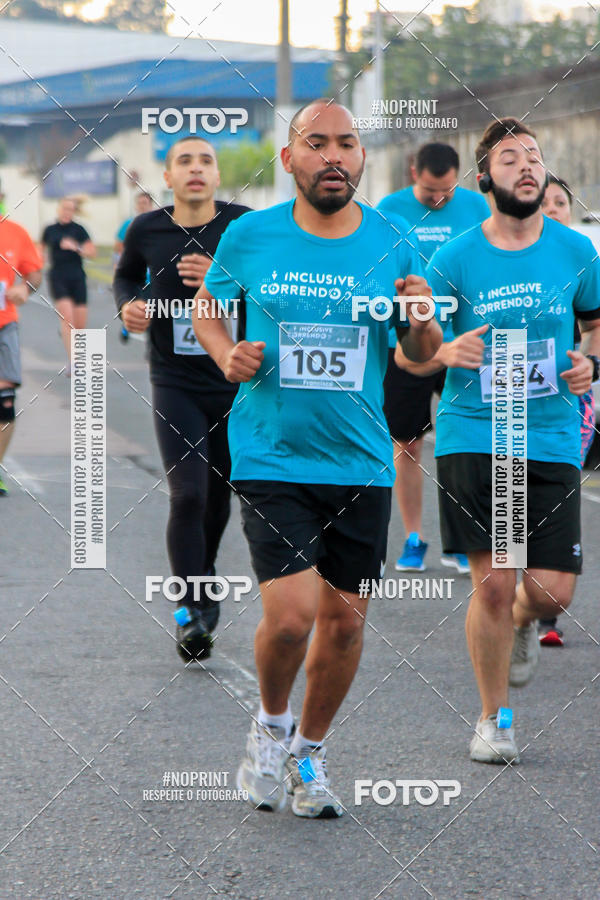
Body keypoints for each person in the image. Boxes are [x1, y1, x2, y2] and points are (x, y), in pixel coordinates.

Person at [194, 99, 442, 817]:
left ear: (361, 158)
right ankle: (271, 725)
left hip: (360, 460)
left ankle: (309, 753)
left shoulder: (394, 241)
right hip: (271, 453)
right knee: (293, 617)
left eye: (347, 143)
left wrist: (422, 320)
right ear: (289, 159)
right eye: (317, 142)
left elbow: (418, 356)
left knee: (344, 623)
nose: (334, 155)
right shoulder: (251, 235)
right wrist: (226, 354)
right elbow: (208, 308)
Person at [424, 118, 600, 763]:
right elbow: (416, 344)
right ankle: (493, 720)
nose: (526, 166)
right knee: (495, 583)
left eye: (533, 156)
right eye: (509, 158)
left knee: (551, 591)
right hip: (477, 430)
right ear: (484, 179)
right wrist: (446, 349)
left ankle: (526, 621)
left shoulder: (576, 250)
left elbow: (595, 323)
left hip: (549, 431)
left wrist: (590, 362)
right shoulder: (455, 258)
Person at [114, 136, 251, 662]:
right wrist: (129, 305)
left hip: (234, 380)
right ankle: (190, 609)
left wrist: (221, 276)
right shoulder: (146, 229)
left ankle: (203, 575)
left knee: (218, 495)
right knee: (188, 494)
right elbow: (126, 275)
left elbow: (270, 287)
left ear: (217, 176)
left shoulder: (243, 227)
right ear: (168, 178)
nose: (196, 169)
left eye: (206, 161)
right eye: (184, 161)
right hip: (175, 382)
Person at [378, 143, 489, 574]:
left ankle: (461, 540)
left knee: (460, 438)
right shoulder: (390, 211)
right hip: (406, 342)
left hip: (464, 341)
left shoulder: (477, 207)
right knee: (406, 443)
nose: (440, 199)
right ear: (413, 173)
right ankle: (413, 538)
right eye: (430, 192)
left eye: (447, 191)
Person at [537, 175, 595, 647]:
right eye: (546, 202)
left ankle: (545, 614)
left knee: (560, 484)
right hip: (513, 403)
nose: (553, 209)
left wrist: (590, 364)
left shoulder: (581, 257)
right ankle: (518, 600)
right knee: (513, 493)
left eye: (561, 202)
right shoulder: (515, 259)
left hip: (574, 399)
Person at [0, 215, 43, 494]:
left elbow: (35, 274)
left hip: (4, 325)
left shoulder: (14, 232)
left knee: (5, 402)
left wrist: (25, 288)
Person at [41, 197, 96, 372]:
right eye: (64, 208)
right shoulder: (50, 230)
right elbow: (39, 250)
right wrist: (38, 263)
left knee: (79, 325)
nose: (67, 212)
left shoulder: (79, 230)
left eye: (70, 209)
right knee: (67, 318)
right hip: (58, 277)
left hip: (77, 277)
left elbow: (92, 252)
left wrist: (76, 247)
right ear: (59, 209)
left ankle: (73, 346)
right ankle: (74, 362)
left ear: (74, 211)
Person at [114, 192, 155, 343]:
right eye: (139, 203)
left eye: (145, 203)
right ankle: (127, 325)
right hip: (135, 275)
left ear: (151, 205)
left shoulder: (158, 224)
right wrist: (120, 266)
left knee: (150, 311)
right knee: (135, 305)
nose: (142, 206)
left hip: (152, 277)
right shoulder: (129, 224)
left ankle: (151, 342)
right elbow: (118, 247)